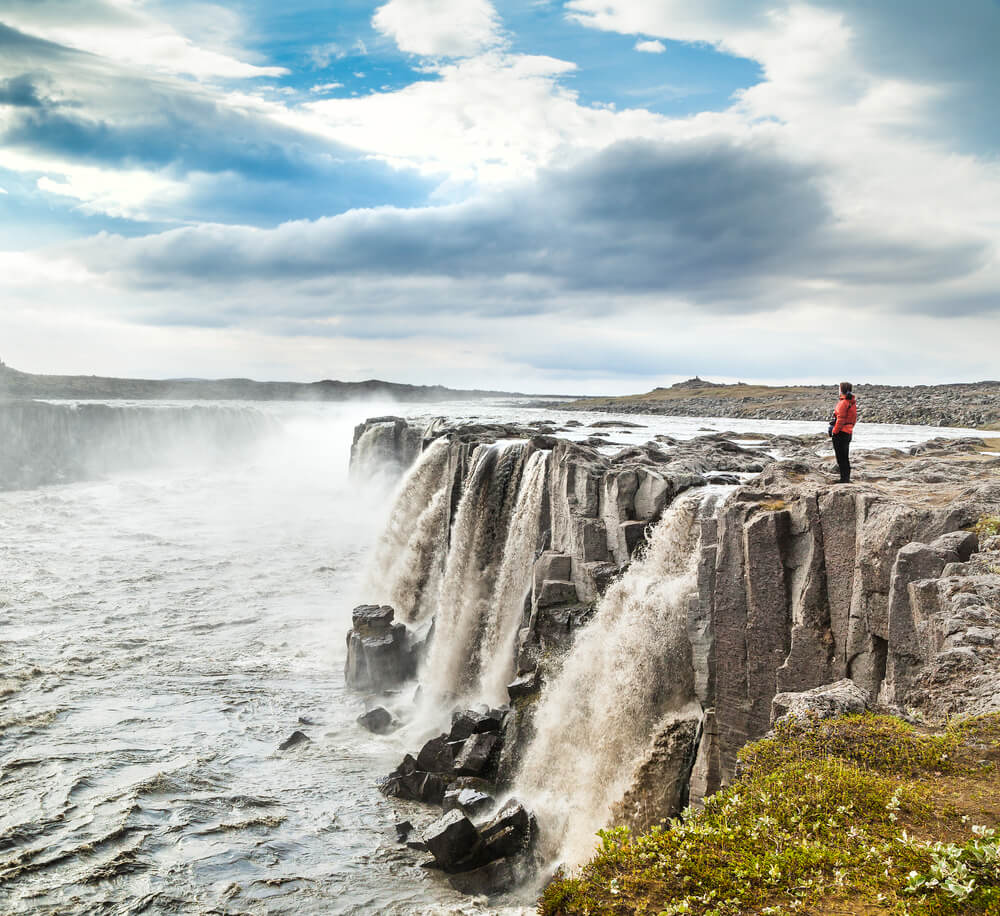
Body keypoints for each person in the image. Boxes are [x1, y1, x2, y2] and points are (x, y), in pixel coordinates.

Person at [829, 381, 857, 483]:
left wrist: (834, 431)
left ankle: (844, 479)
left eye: (839, 388)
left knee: (841, 457)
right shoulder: (851, 402)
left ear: (842, 390)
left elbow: (840, 419)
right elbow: (854, 418)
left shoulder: (843, 403)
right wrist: (850, 427)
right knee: (845, 456)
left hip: (841, 433)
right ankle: (846, 478)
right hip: (848, 432)